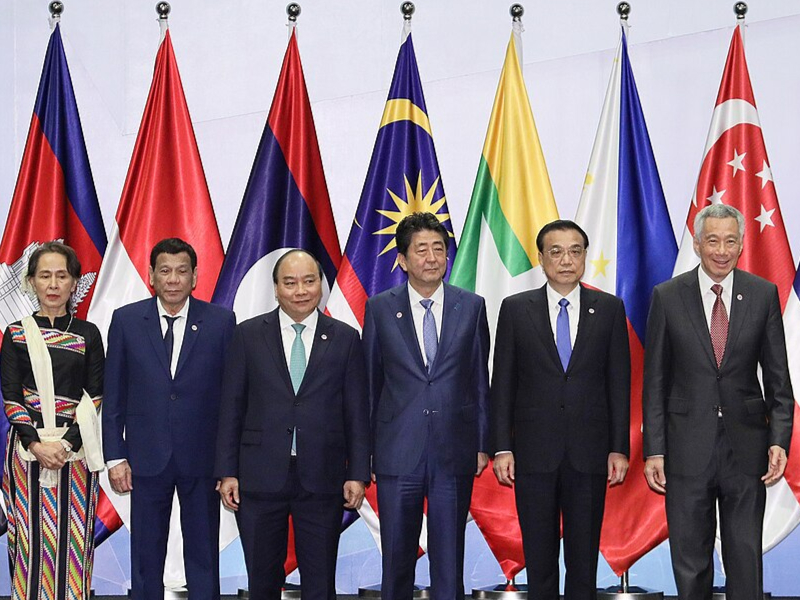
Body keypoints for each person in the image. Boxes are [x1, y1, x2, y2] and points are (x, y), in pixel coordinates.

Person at [643, 203, 793, 600]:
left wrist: (779, 440)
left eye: (730, 241)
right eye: (713, 241)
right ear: (697, 244)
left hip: (746, 448)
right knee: (691, 561)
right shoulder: (667, 296)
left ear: (742, 244)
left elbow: (778, 379)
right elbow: (654, 381)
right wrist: (654, 449)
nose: (722, 251)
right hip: (685, 447)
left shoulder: (762, 294)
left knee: (745, 556)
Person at [215, 249, 369, 600]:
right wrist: (227, 471)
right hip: (259, 474)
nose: (300, 290)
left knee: (320, 581)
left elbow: (357, 412)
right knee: (262, 580)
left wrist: (358, 473)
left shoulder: (345, 338)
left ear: (321, 285)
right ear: (276, 288)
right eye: (290, 282)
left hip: (323, 474)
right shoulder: (248, 335)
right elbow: (231, 407)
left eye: (309, 281)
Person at [491, 220, 630, 600]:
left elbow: (619, 385)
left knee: (583, 562)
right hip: (534, 454)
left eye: (575, 251)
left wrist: (618, 448)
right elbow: (502, 383)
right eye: (556, 252)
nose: (566, 260)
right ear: (541, 258)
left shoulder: (609, 309)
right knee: (540, 560)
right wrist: (502, 446)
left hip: (590, 453)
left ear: (584, 256)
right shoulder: (516, 309)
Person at [362, 212, 490, 600]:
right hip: (397, 450)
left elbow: (479, 381)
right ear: (402, 260)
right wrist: (366, 452)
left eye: (439, 248)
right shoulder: (380, 308)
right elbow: (370, 385)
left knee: (449, 560)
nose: (432, 257)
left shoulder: (472, 306)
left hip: (454, 450)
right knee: (397, 559)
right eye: (421, 250)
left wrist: (481, 442)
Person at [103, 238, 235, 600]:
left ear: (195, 276)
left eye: (181, 271)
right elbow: (114, 395)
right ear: (151, 275)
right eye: (165, 271)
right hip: (145, 459)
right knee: (146, 557)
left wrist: (227, 463)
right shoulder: (127, 321)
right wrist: (115, 456)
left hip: (202, 459)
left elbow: (230, 398)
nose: (173, 279)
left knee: (203, 555)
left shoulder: (220, 321)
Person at [1, 242, 105, 600]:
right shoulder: (16, 333)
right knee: (30, 540)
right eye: (45, 276)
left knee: (73, 542)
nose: (53, 284)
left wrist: (64, 444)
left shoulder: (88, 334)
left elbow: (95, 397)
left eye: (62, 276)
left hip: (74, 454)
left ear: (75, 283)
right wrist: (36, 444)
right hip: (27, 454)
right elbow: (11, 397)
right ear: (31, 281)